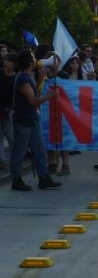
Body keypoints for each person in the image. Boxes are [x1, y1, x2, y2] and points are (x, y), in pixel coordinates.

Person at [10, 49, 62, 191]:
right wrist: (50, 96)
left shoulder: (28, 77)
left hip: (31, 119)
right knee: (19, 151)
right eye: (33, 58)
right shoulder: (23, 79)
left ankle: (44, 177)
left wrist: (40, 81)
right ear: (28, 62)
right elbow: (33, 101)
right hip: (24, 121)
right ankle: (16, 179)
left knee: (39, 150)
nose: (36, 59)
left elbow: (34, 97)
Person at [0, 51, 17, 171]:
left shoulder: (17, 77)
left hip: (10, 110)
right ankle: (2, 159)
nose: (6, 62)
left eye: (9, 60)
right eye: (5, 59)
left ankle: (14, 161)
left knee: (11, 137)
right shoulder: (0, 72)